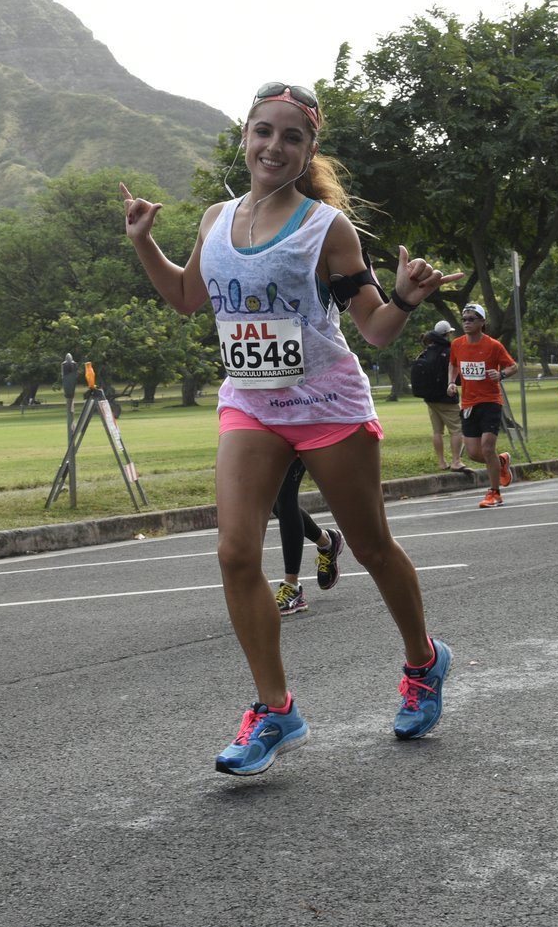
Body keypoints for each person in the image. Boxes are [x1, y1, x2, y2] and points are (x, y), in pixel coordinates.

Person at [121, 80, 459, 776]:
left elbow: (374, 328)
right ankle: (275, 709)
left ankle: (424, 661)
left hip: (327, 404)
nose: (274, 145)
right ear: (244, 138)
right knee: (235, 552)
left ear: (308, 152)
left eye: (291, 137)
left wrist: (403, 295)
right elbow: (189, 298)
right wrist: (143, 244)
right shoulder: (216, 219)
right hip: (251, 402)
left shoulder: (324, 228)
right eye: (263, 131)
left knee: (371, 547)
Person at [449, 303, 519, 507]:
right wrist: (451, 382)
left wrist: (501, 374)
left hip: (490, 401)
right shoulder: (457, 344)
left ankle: (494, 493)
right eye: (464, 319)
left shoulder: (493, 345)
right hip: (468, 403)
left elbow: (512, 366)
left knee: (487, 448)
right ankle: (502, 462)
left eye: (472, 319)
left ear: (482, 322)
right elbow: (453, 364)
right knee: (473, 453)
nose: (467, 322)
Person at [271, 457, 346, 615]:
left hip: (299, 434)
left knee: (284, 494)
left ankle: (292, 586)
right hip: (270, 435)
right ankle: (327, 542)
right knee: (275, 501)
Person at [409, 321, 466, 472]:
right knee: (456, 429)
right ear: (447, 334)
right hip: (447, 398)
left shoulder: (427, 351)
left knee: (437, 431)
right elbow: (456, 374)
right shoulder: (448, 351)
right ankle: (456, 461)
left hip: (430, 399)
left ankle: (441, 462)